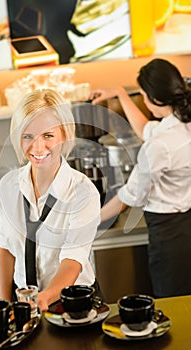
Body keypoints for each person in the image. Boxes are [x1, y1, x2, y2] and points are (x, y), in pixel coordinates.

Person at [89, 58, 191, 298]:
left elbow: (129, 196)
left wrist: (90, 220)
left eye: (143, 96)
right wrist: (120, 94)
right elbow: (146, 128)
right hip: (186, 226)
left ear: (155, 99)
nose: (144, 102)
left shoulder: (159, 145)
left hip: (169, 237)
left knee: (171, 300)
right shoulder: (180, 125)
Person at [0, 89, 100, 312]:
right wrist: (3, 304)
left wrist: (45, 298)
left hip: (71, 303)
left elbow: (72, 261)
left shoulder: (83, 192)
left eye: (48, 136)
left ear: (65, 135)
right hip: (25, 303)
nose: (38, 147)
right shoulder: (8, 186)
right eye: (28, 136)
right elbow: (5, 249)